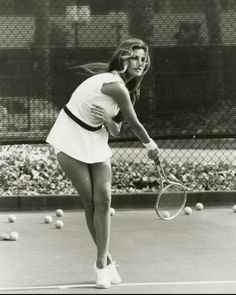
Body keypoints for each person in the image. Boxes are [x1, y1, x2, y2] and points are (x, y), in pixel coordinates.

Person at [46, 38, 159, 289]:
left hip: (96, 140)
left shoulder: (125, 89)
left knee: (104, 199)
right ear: (123, 59)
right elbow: (136, 124)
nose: (140, 63)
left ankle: (102, 263)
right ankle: (103, 263)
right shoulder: (114, 85)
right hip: (69, 136)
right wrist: (151, 146)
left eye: (143, 59)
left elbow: (117, 129)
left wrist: (108, 119)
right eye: (134, 58)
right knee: (90, 201)